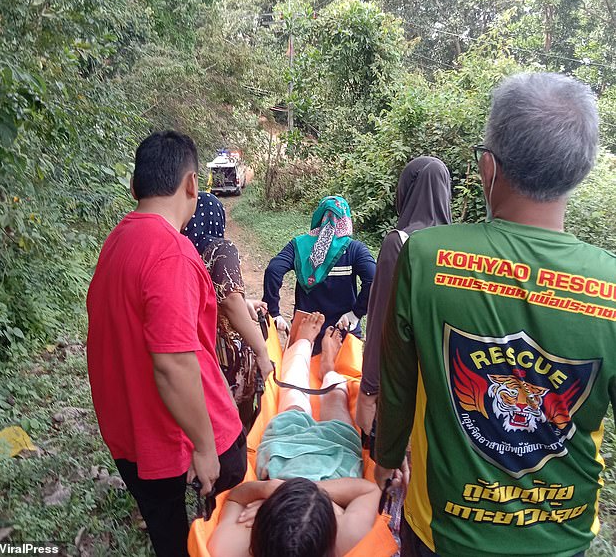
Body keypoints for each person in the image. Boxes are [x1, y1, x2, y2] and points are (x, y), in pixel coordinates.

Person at [374, 73, 616, 557]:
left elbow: (397, 387)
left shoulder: (426, 257)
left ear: (488, 166)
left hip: (444, 530)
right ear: (580, 170)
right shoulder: (608, 283)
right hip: (562, 538)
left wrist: (385, 459)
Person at [86, 131, 246, 557]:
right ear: (192, 184)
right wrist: (204, 447)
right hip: (172, 436)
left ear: (135, 187)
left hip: (128, 431)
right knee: (228, 495)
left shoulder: (117, 241)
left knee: (167, 531)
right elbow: (173, 364)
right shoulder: (171, 253)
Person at [208, 312, 383, 557]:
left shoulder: (229, 547)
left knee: (293, 404)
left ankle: (302, 346)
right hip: (333, 467)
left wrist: (273, 490)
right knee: (336, 404)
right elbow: (369, 490)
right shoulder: (346, 538)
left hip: (284, 455)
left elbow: (235, 498)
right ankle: (329, 367)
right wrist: (306, 495)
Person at [356, 156, 452, 438]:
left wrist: (369, 389)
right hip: (442, 391)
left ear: (407, 190)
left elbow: (381, 323)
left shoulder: (399, 243)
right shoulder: (460, 250)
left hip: (399, 385)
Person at [183, 193, 273, 430]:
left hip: (195, 349)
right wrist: (262, 352)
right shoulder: (220, 248)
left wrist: (246, 302)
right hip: (225, 356)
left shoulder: (183, 251)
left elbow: (212, 296)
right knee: (234, 421)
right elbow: (231, 300)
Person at [263, 196, 376, 354]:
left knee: (301, 376)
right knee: (346, 377)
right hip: (343, 331)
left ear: (319, 217)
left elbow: (273, 270)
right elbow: (374, 279)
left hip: (305, 332)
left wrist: (273, 312)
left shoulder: (298, 245)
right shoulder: (355, 249)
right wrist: (356, 313)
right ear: (346, 220)